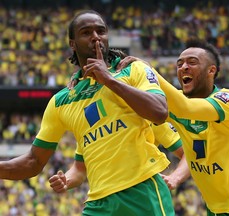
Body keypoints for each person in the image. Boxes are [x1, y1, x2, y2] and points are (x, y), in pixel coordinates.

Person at [0, 10, 176, 216]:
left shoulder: (133, 70)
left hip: (143, 191)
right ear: (72, 44)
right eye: (86, 32)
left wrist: (108, 80)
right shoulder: (61, 100)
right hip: (98, 203)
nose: (95, 37)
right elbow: (33, 161)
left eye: (101, 31)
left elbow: (159, 112)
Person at [118, 38, 229, 215]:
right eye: (179, 64)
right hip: (214, 209)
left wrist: (148, 71)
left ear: (211, 70)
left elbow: (186, 108)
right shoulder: (176, 101)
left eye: (192, 62)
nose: (183, 67)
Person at [49, 122, 191, 193]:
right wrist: (66, 181)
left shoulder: (146, 114)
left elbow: (189, 153)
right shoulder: (90, 124)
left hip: (142, 193)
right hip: (101, 198)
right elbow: (79, 169)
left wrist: (175, 178)